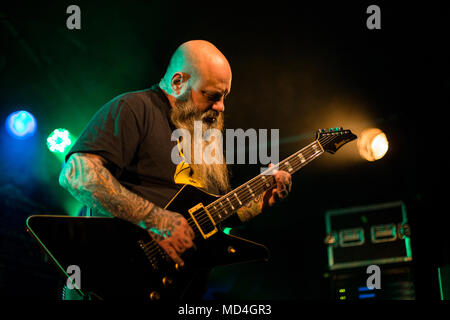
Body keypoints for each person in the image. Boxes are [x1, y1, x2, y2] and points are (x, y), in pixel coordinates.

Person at [58, 40, 292, 299]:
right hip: (116, 280)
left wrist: (260, 201)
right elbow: (76, 174)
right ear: (178, 82)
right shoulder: (134, 109)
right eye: (212, 95)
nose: (221, 106)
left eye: (225, 96)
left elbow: (216, 216)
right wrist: (157, 220)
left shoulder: (203, 139)